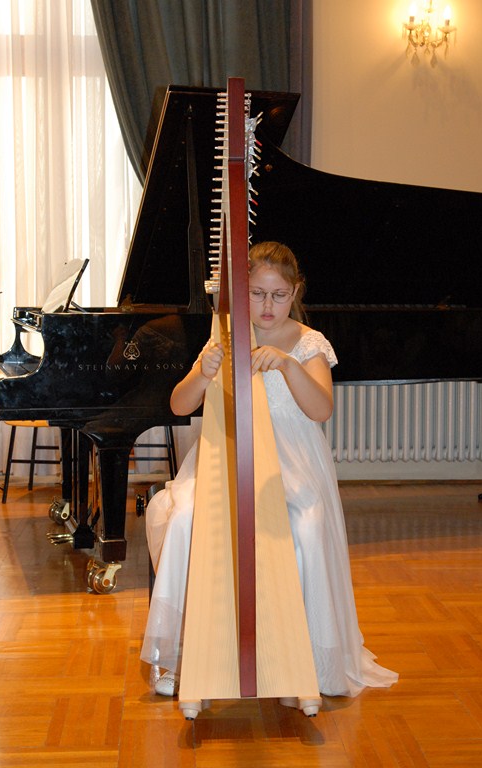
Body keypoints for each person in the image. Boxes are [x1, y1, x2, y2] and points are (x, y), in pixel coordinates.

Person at [140, 241, 398, 698]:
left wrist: (287, 366)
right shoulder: (224, 334)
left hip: (292, 468)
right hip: (226, 461)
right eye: (257, 294)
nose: (267, 306)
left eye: (279, 296)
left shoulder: (309, 342)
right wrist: (203, 370)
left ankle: (299, 661)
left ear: (295, 291)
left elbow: (321, 410)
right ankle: (183, 655)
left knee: (306, 526)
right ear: (241, 292)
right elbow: (180, 403)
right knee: (183, 521)